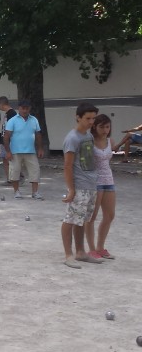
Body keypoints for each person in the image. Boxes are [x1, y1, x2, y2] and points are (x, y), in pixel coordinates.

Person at [60, 103, 101, 269]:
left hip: (91, 184)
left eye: (93, 118)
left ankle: (81, 252)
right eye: (88, 118)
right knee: (70, 219)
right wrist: (71, 189)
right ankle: (68, 255)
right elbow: (67, 166)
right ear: (78, 117)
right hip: (79, 186)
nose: (91, 122)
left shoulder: (88, 136)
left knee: (81, 220)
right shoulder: (72, 138)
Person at [85, 114, 116, 261]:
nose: (105, 130)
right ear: (94, 127)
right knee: (92, 216)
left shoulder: (110, 141)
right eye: (101, 127)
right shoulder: (89, 141)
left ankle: (100, 247)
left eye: (107, 127)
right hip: (94, 182)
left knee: (110, 215)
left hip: (109, 180)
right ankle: (91, 249)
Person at [3, 99, 44, 200]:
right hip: (15, 151)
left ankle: (35, 192)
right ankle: (16, 191)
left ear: (30, 108)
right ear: (19, 108)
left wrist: (40, 148)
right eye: (23, 108)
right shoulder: (13, 120)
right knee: (15, 172)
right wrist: (8, 151)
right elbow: (6, 136)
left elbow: (38, 134)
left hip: (30, 151)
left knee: (35, 171)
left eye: (27, 108)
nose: (25, 110)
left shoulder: (34, 120)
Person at [0, 96, 17, 184]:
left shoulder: (12, 114)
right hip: (4, 139)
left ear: (2, 104)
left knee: (8, 160)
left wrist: (7, 140)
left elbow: (11, 129)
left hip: (8, 141)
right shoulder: (7, 114)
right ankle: (10, 178)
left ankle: (13, 178)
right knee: (5, 159)